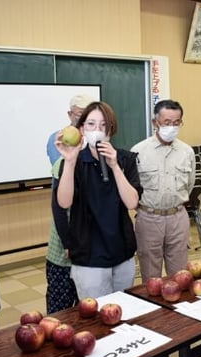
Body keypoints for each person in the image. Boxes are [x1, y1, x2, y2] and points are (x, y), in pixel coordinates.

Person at [54, 102, 142, 299]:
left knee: (124, 310)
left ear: (110, 130)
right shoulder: (73, 162)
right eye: (91, 124)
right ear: (82, 129)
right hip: (89, 255)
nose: (97, 130)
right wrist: (69, 161)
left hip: (122, 251)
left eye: (103, 125)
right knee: (95, 318)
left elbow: (132, 203)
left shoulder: (125, 159)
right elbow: (64, 202)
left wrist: (115, 166)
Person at [131, 100, 195, 282]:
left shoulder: (186, 151)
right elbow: (132, 191)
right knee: (151, 276)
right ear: (155, 123)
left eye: (177, 123)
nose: (172, 127)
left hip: (178, 217)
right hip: (149, 218)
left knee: (180, 275)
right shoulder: (138, 151)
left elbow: (189, 185)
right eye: (167, 122)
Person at [45, 94, 92, 314]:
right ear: (70, 114)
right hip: (67, 236)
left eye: (88, 116)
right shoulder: (60, 142)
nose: (82, 120)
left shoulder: (99, 148)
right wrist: (67, 241)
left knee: (88, 306)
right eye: (78, 114)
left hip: (90, 242)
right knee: (61, 310)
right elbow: (61, 204)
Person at [46, 94, 93, 165]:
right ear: (70, 114)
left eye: (89, 114)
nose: (85, 118)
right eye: (81, 114)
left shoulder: (95, 137)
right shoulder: (58, 138)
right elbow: (58, 169)